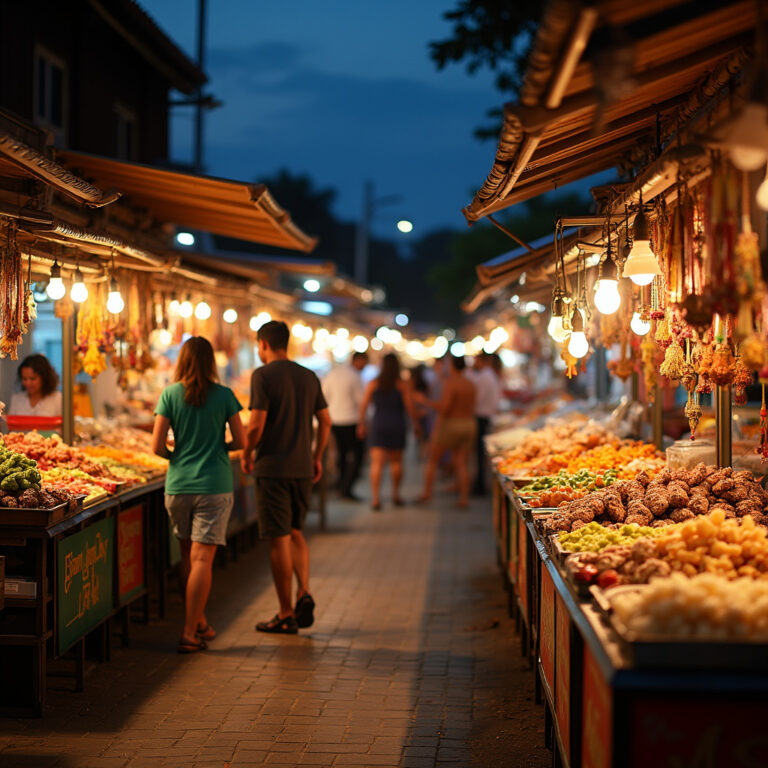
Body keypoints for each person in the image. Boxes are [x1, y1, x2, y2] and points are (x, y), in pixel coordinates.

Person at [151, 337, 246, 654]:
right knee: (202, 559)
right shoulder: (225, 395)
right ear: (211, 363)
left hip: (178, 486)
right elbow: (241, 440)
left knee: (187, 554)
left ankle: (200, 620)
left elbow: (156, 446)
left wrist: (177, 456)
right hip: (214, 485)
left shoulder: (170, 394)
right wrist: (220, 448)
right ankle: (190, 632)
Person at [241, 321, 332, 635]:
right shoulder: (308, 376)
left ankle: (285, 613)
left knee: (278, 539)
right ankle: (303, 590)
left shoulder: (262, 376)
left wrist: (246, 452)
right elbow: (326, 421)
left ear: (264, 344)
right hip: (302, 468)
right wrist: (316, 456)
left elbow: (255, 425)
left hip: (274, 468)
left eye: (257, 345)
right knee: (296, 532)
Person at [357, 353, 419, 510]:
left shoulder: (373, 383)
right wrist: (416, 424)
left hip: (379, 424)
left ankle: (376, 498)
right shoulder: (402, 385)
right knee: (396, 462)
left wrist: (361, 424)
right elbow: (410, 407)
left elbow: (364, 405)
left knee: (376, 463)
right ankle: (396, 495)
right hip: (397, 424)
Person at [416, 355, 476, 508]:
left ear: (452, 366)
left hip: (452, 424)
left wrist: (425, 401)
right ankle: (464, 498)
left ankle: (427, 493)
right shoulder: (470, 384)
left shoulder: (451, 383)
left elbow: (444, 408)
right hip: (468, 424)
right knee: (462, 463)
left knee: (432, 460)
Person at [323, 351, 368, 500]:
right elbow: (361, 401)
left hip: (335, 420)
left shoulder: (333, 373)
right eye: (364, 362)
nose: (365, 366)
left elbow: (324, 396)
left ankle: (342, 485)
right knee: (357, 455)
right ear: (358, 360)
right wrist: (363, 423)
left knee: (341, 454)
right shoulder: (355, 376)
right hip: (351, 420)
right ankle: (346, 488)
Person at [470, 352, 503, 496]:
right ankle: (480, 483)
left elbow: (477, 398)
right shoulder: (490, 376)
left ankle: (480, 485)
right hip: (486, 415)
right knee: (480, 453)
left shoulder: (484, 376)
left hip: (482, 416)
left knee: (480, 453)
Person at [410, 364, 432, 459]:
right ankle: (422, 453)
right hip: (424, 411)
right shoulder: (425, 383)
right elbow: (429, 396)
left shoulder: (411, 384)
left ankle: (420, 452)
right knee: (424, 434)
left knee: (418, 432)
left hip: (416, 411)